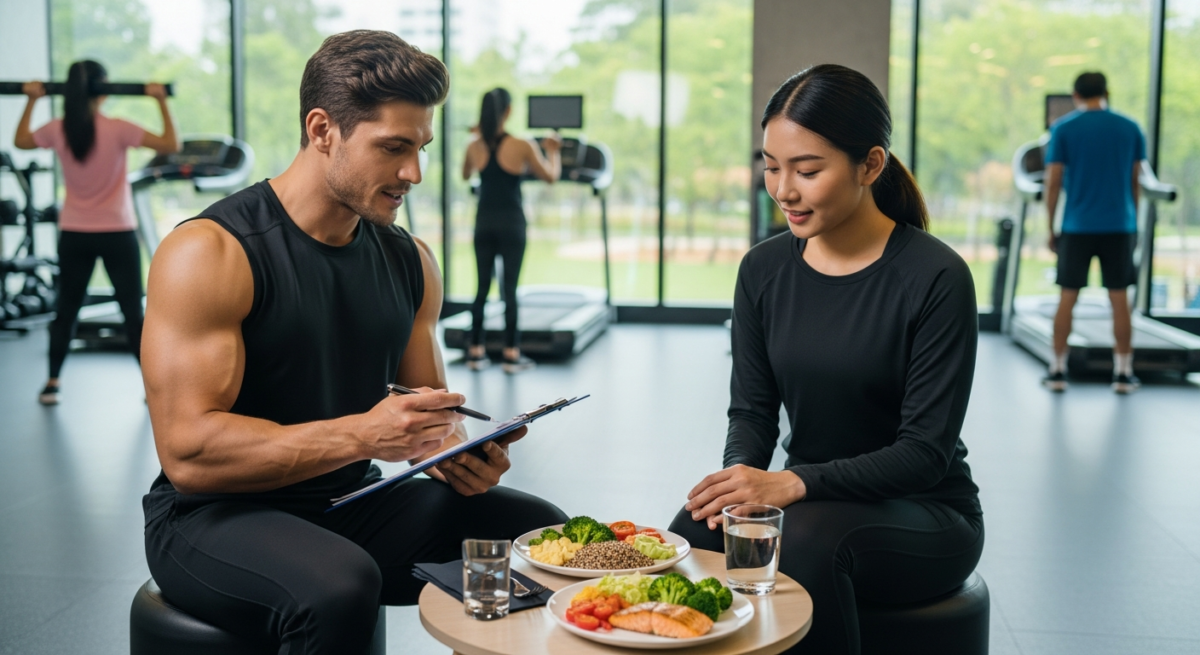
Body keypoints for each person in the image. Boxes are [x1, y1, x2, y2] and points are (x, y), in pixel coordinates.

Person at [140, 31, 566, 654]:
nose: (413, 173)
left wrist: (456, 452)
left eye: (420, 148)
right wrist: (364, 436)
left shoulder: (410, 260)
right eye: (393, 147)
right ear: (322, 130)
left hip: (349, 499)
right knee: (340, 585)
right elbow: (189, 454)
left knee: (538, 534)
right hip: (210, 516)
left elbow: (428, 417)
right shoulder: (209, 253)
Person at [668, 65, 984, 655]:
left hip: (924, 509)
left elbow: (923, 454)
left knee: (807, 545)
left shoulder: (936, 276)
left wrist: (792, 482)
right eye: (771, 166)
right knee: (693, 530)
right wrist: (741, 485)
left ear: (870, 165)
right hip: (811, 496)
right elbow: (753, 412)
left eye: (808, 171)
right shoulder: (762, 270)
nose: (784, 190)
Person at [13, 60, 179, 405]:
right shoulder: (117, 128)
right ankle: (152, 389)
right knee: (132, 312)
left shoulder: (58, 129)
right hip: (117, 232)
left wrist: (31, 99)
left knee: (66, 309)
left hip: (74, 233)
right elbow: (170, 144)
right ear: (102, 91)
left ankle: (52, 383)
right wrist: (160, 100)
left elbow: (21, 141)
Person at [1043, 71, 1146, 394]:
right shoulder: (1130, 128)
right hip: (1120, 226)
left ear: (1076, 95)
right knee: (1120, 299)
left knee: (1067, 296)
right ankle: (1123, 374)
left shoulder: (1063, 129)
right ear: (1106, 92)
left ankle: (1057, 371)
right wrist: (1133, 221)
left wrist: (1050, 225)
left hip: (1077, 226)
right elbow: (1135, 181)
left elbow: (1053, 182)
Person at [461, 87, 561, 373]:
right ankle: (511, 354)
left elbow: (465, 174)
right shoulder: (522, 144)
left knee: (481, 287)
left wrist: (478, 137)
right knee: (510, 289)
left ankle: (476, 352)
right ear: (508, 111)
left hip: (483, 223)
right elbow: (550, 176)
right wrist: (552, 150)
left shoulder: (474, 145)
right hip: (512, 224)